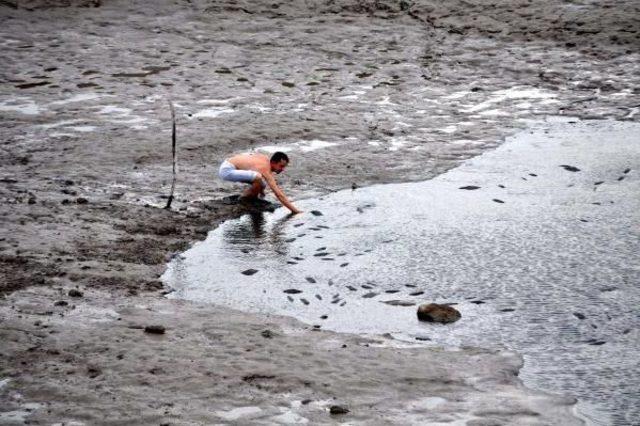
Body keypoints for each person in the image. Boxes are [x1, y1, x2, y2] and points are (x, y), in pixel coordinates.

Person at [218, 151, 301, 214]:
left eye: (284, 167)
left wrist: (262, 192)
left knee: (262, 184)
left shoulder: (265, 159)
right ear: (273, 162)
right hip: (227, 170)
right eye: (281, 166)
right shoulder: (264, 168)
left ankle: (250, 198)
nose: (282, 169)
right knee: (258, 177)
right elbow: (278, 194)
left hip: (229, 164)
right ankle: (246, 199)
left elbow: (250, 156)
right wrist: (295, 211)